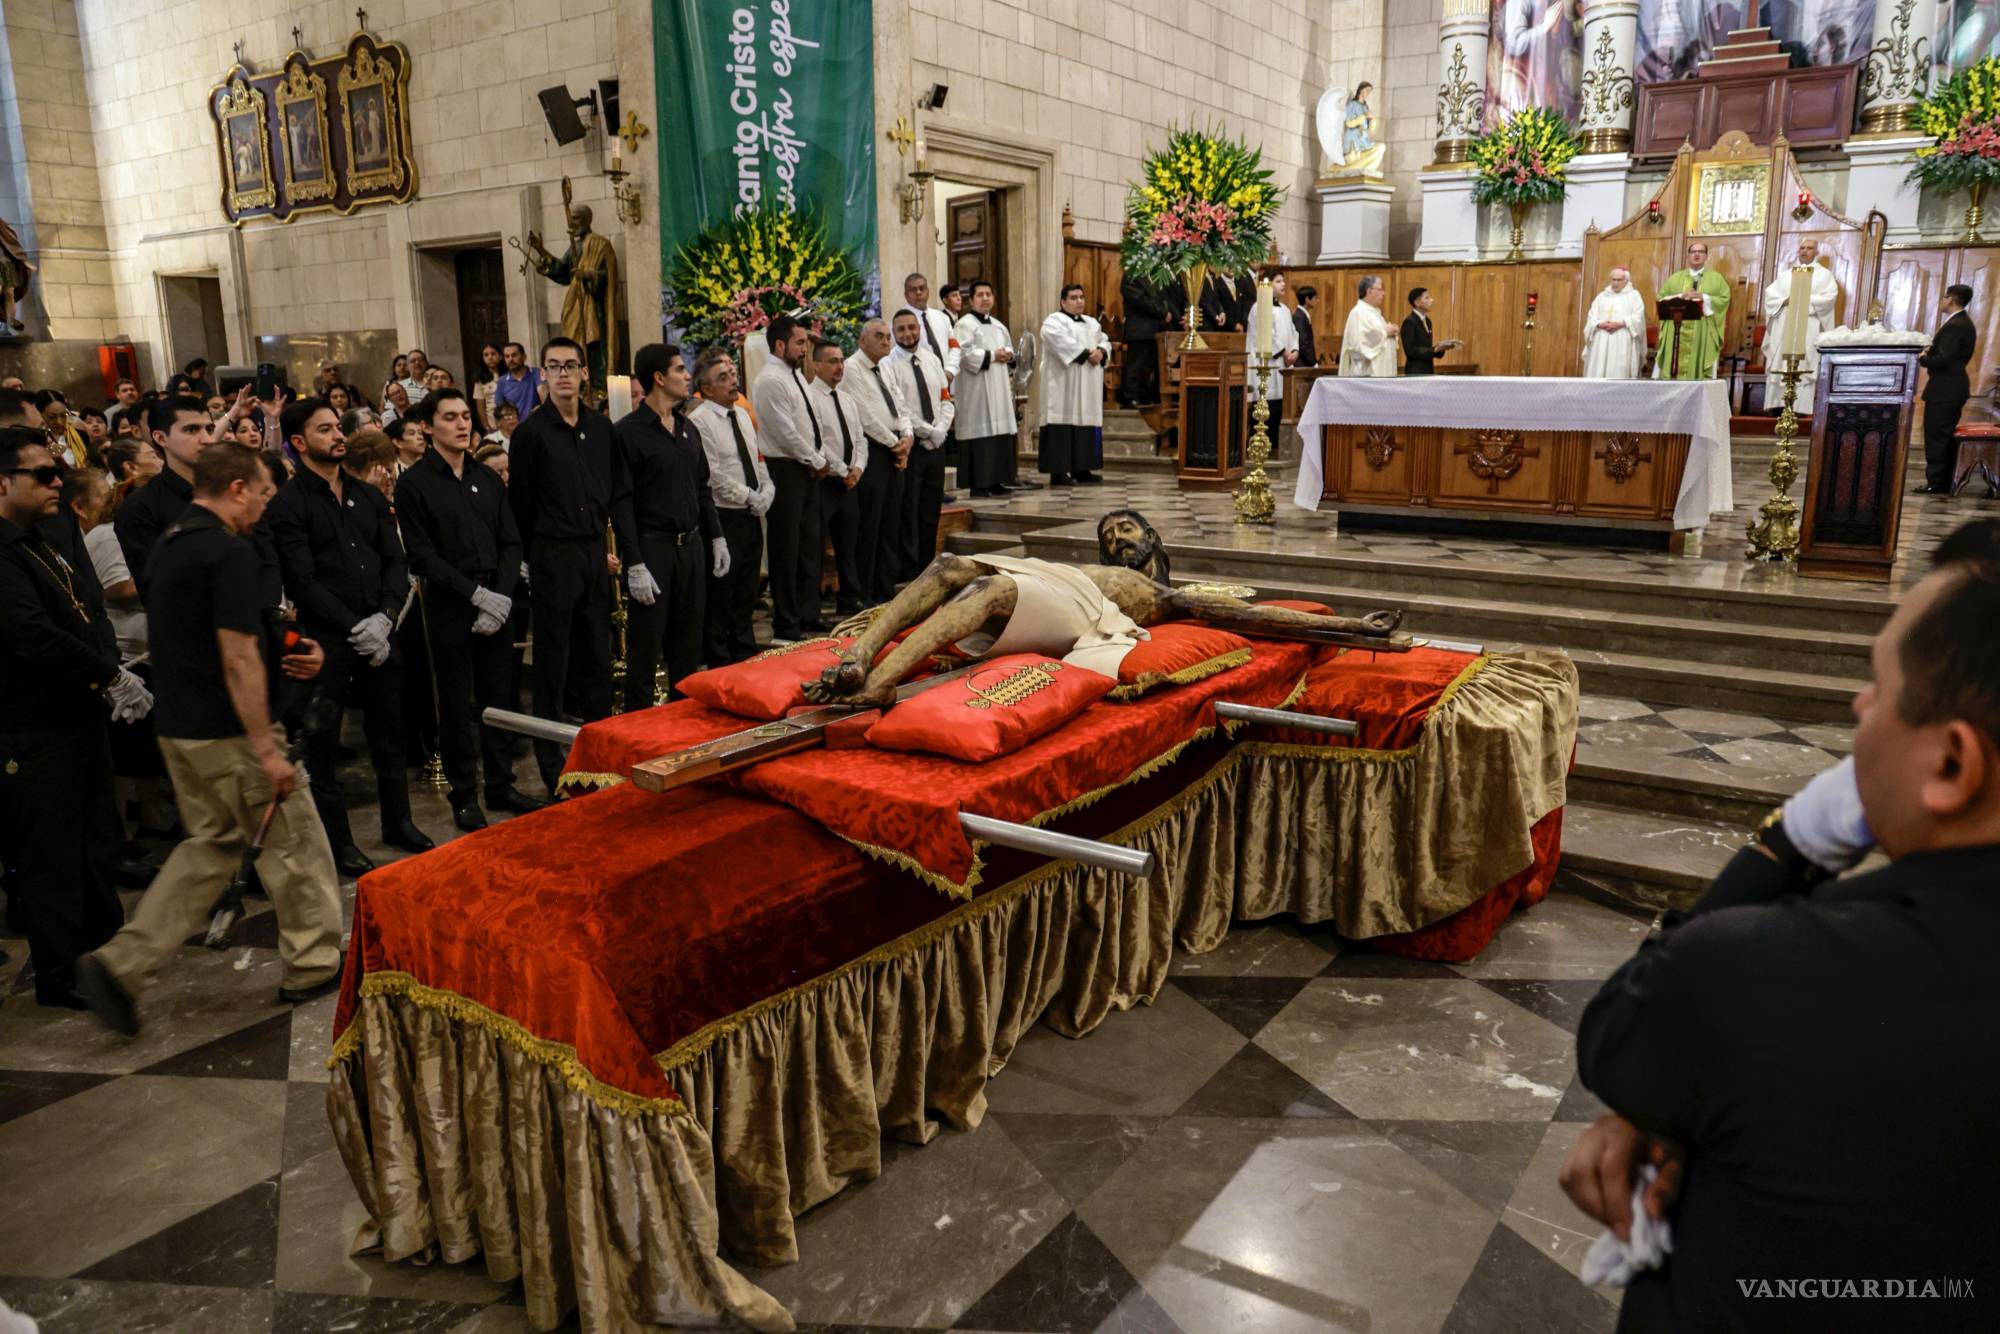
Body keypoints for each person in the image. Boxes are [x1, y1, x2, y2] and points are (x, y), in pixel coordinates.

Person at [1562, 521, 2000, 1332]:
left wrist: (1793, 839)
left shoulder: (1764, 972)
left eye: (1879, 686)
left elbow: (1622, 1031)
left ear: (1952, 763)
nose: (1859, 705)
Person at [74, 443, 346, 1035]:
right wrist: (267, 749)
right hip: (234, 734)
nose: (267, 506)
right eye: (264, 493)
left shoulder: (172, 543)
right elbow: (236, 655)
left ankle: (121, 965)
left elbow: (198, 635)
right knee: (296, 847)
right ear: (238, 488)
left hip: (181, 730)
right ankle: (313, 963)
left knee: (212, 847)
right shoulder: (228, 551)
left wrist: (287, 646)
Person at [0, 426, 136, 1009]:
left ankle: (105, 953)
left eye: (56, 472)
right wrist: (106, 673)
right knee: (51, 853)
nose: (57, 481)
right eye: (41, 474)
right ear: (2, 483)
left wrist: (108, 666)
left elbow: (88, 605)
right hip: (34, 725)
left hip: (80, 711)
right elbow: (31, 634)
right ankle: (59, 974)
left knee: (96, 839)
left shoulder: (42, 538)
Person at [267, 396, 432, 872]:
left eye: (337, 427)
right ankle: (338, 842)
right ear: (298, 443)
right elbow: (303, 581)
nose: (338, 435)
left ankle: (398, 822)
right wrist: (353, 625)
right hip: (329, 640)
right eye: (324, 430)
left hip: (380, 631)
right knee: (323, 747)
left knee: (390, 735)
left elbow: (395, 561)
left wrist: (384, 617)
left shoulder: (368, 495)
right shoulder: (288, 505)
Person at [394, 388, 540, 829]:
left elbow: (511, 540)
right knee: (457, 703)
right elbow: (422, 555)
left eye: (465, 416)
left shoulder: (487, 478)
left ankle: (500, 783)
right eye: (450, 417)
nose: (462, 424)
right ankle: (464, 794)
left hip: (497, 600)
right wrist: (475, 595)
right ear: (427, 427)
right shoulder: (414, 483)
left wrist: (501, 595)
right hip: (450, 604)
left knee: (499, 696)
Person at [507, 336, 640, 790]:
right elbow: (521, 505)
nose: (562, 374)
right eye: (553, 366)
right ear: (543, 374)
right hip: (552, 553)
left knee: (597, 657)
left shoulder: (601, 429)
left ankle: (599, 758)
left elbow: (616, 491)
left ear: (585, 373)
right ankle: (552, 766)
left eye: (570, 366)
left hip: (592, 551)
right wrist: (531, 560)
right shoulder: (530, 433)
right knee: (553, 661)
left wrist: (622, 551)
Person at [617, 343, 725, 707]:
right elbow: (622, 503)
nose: (687, 375)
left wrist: (717, 537)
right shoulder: (628, 433)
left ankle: (684, 723)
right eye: (680, 369)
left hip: (690, 547)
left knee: (688, 647)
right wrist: (634, 562)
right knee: (646, 649)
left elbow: (702, 488)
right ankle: (638, 727)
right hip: (653, 549)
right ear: (659, 378)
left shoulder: (686, 427)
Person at [749, 314, 834, 642]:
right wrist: (816, 459)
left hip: (806, 467)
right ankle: (786, 621)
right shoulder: (770, 380)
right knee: (787, 548)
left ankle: (808, 613)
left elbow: (811, 422)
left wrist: (818, 456)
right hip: (784, 469)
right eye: (799, 343)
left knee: (809, 546)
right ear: (780, 344)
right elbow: (785, 432)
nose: (804, 349)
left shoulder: (796, 375)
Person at [689, 350, 771, 664]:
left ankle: (743, 645)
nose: (732, 381)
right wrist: (749, 496)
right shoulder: (700, 421)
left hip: (750, 512)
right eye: (722, 378)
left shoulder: (741, 415)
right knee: (722, 588)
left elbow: (756, 457)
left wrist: (766, 490)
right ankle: (719, 654)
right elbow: (712, 474)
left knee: (747, 585)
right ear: (706, 389)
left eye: (732, 374)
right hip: (723, 514)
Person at [115, 396, 212, 594]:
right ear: (160, 438)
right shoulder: (139, 507)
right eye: (191, 430)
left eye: (209, 429)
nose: (207, 440)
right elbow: (158, 587)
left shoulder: (230, 489)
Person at [847, 318, 914, 603]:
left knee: (891, 522)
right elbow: (864, 415)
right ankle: (866, 590)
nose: (886, 341)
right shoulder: (852, 368)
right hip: (873, 450)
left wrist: (908, 436)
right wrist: (895, 444)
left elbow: (900, 404)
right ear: (862, 340)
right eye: (879, 336)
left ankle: (885, 589)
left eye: (888, 336)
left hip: (896, 449)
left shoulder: (885, 366)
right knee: (870, 524)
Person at [891, 307, 954, 581]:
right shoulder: (889, 364)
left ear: (919, 329)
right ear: (894, 333)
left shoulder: (932, 359)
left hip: (936, 445)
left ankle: (927, 566)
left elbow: (945, 399)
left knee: (931, 509)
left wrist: (941, 429)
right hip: (912, 446)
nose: (908, 333)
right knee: (909, 510)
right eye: (901, 329)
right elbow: (899, 407)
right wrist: (927, 431)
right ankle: (909, 570)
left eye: (911, 327)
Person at [808, 338, 867, 617]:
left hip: (849, 482)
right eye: (833, 361)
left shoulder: (846, 399)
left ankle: (850, 598)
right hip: (825, 482)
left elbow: (859, 439)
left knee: (850, 544)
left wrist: (858, 468)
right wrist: (843, 470)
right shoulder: (811, 398)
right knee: (816, 547)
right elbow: (817, 442)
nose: (840, 366)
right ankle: (813, 604)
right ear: (816, 365)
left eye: (842, 361)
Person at [1039, 283, 1113, 487]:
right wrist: (1087, 354)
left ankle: (1083, 469)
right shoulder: (1053, 321)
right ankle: (1058, 473)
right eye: (1073, 298)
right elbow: (1058, 341)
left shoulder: (1092, 323)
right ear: (1063, 302)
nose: (1079, 301)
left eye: (1081, 297)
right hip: (1062, 383)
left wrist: (1102, 351)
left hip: (1088, 382)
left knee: (1086, 420)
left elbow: (1105, 340)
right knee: (1061, 422)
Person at [954, 278, 1020, 498]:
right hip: (976, 390)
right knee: (980, 434)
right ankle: (979, 484)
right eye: (980, 295)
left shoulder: (999, 325)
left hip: (999, 386)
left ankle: (996, 480)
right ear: (971, 300)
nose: (985, 299)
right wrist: (993, 355)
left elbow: (1009, 348)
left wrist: (1009, 354)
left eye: (988, 295)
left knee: (999, 432)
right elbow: (962, 354)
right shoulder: (964, 325)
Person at [1761, 238, 1839, 410]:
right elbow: (1770, 297)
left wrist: (1804, 299)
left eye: (1809, 248)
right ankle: (1776, 406)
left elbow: (1829, 298)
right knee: (1780, 361)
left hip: (1808, 326)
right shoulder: (1786, 275)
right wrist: (1784, 301)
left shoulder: (1824, 275)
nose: (1804, 251)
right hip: (1785, 326)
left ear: (1816, 252)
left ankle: (1800, 408)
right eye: (1802, 248)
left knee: (1806, 363)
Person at [1919, 283, 1978, 495]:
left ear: (1951, 299)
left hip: (1946, 389)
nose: (1942, 300)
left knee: (1937, 437)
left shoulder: (1956, 325)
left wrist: (1924, 357)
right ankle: (1942, 481)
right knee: (1941, 436)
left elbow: (1943, 360)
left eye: (1944, 297)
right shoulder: (1962, 322)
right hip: (1950, 388)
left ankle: (1937, 483)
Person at [1656, 241, 1730, 380]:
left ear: (1706, 256)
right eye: (1693, 251)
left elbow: (1724, 300)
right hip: (1676, 329)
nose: (1697, 254)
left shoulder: (1716, 279)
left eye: (1701, 251)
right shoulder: (1675, 278)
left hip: (1701, 331)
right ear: (1688, 255)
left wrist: (1703, 297)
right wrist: (1681, 296)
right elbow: (1661, 299)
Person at [1583, 267, 1648, 380]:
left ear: (1626, 281)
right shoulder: (1602, 296)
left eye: (1619, 280)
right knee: (1598, 372)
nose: (1615, 283)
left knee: (1619, 372)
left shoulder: (1633, 296)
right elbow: (1591, 316)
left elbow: (1638, 317)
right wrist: (1600, 324)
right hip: (1601, 339)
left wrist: (1620, 324)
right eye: (1613, 279)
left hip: (1623, 338)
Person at [1118, 271, 1171, 407]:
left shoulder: (1155, 273)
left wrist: (1165, 310)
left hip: (1156, 328)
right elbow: (1139, 299)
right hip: (1139, 327)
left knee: (1151, 366)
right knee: (1136, 364)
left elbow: (1162, 296)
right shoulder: (1132, 274)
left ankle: (1147, 395)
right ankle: (1131, 397)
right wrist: (1162, 312)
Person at [902, 272, 961, 377]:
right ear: (906, 295)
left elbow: (954, 347)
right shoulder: (900, 322)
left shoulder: (942, 318)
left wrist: (950, 370)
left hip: (947, 378)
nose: (918, 292)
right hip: (918, 379)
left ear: (928, 291)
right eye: (913, 290)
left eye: (922, 288)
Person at [1340, 276, 1399, 377]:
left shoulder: (1374, 313)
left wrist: (1393, 332)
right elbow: (1359, 345)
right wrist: (1386, 332)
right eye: (1380, 289)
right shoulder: (1358, 313)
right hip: (1367, 373)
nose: (1383, 293)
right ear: (1369, 291)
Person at [1399, 287, 1460, 376]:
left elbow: (1427, 348)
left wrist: (1441, 348)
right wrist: (1434, 349)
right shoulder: (1409, 322)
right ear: (1417, 303)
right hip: (1415, 372)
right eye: (1427, 298)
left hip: (1428, 370)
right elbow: (1410, 351)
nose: (1431, 300)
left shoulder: (1428, 321)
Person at [492, 341, 543, 421]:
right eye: (507, 356)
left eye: (514, 355)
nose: (510, 359)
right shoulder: (502, 381)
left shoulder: (537, 373)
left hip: (537, 423)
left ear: (524, 357)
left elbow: (544, 396)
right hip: (515, 426)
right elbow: (500, 410)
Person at [36, 389, 88, 467]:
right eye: (52, 417)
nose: (59, 422)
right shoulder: (39, 442)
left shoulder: (80, 433)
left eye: (63, 415)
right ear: (39, 414)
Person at [471, 342, 503, 433]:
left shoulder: (508, 375)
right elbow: (480, 406)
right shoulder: (480, 379)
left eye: (493, 354)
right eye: (486, 355)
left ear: (500, 356)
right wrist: (486, 426)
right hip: (491, 420)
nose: (490, 357)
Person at [1293, 285, 1319, 368]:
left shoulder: (1303, 315)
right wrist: (1313, 363)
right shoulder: (1299, 317)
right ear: (1307, 299)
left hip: (1305, 363)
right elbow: (1303, 343)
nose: (1317, 301)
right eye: (1315, 298)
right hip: (1302, 364)